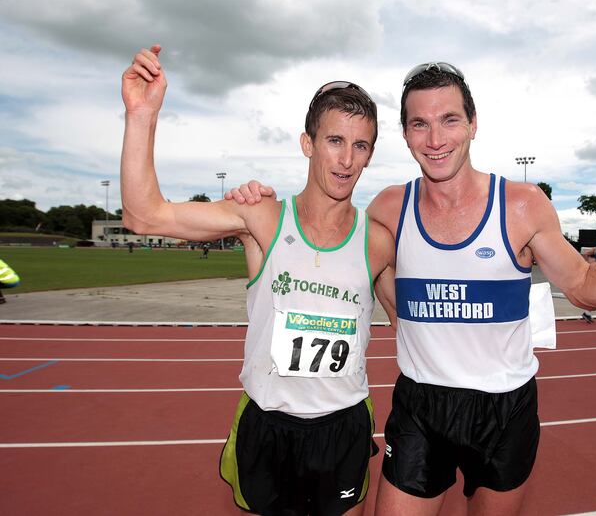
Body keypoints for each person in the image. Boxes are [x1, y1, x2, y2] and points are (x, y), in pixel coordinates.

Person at [229, 62, 596, 516]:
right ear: (406, 135)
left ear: (473, 124)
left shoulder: (522, 205)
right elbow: (347, 265)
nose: (435, 139)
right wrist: (256, 203)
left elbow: (582, 287)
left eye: (449, 120)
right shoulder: (389, 210)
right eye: (420, 124)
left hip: (505, 408)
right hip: (421, 406)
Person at [120, 44, 395, 516]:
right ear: (307, 143)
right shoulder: (260, 217)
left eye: (360, 145)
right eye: (335, 140)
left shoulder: (378, 242)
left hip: (344, 426)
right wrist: (142, 115)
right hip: (268, 425)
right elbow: (144, 216)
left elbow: (416, 326)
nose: (347, 159)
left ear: (370, 154)